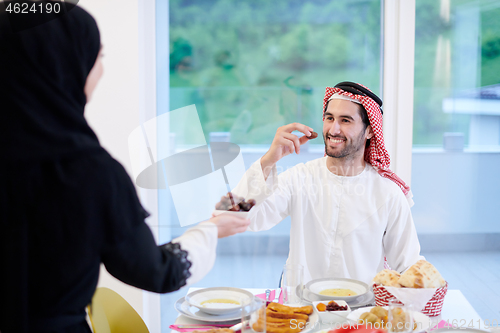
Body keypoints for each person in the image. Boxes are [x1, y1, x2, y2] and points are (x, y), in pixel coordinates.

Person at [0, 3, 249, 333]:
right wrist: (210, 230)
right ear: (64, 64)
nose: (100, 70)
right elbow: (155, 271)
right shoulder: (87, 172)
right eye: (96, 56)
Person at [233, 81, 423, 285]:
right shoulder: (299, 178)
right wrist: (268, 160)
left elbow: (408, 266)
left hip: (360, 312)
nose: (334, 129)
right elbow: (238, 216)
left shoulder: (388, 193)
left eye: (346, 120)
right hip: (303, 310)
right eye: (329, 118)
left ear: (369, 131)